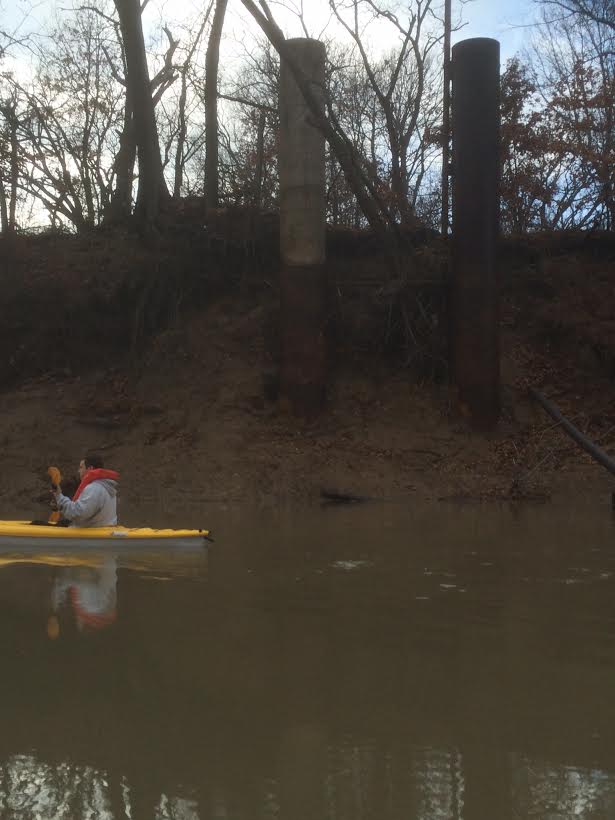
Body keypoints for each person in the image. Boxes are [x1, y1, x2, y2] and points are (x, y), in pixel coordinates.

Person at [53, 453, 119, 527]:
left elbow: (77, 514)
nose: (78, 471)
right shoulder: (107, 487)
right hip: (103, 533)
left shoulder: (93, 489)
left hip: (92, 536)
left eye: (81, 467)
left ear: (90, 469)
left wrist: (59, 496)